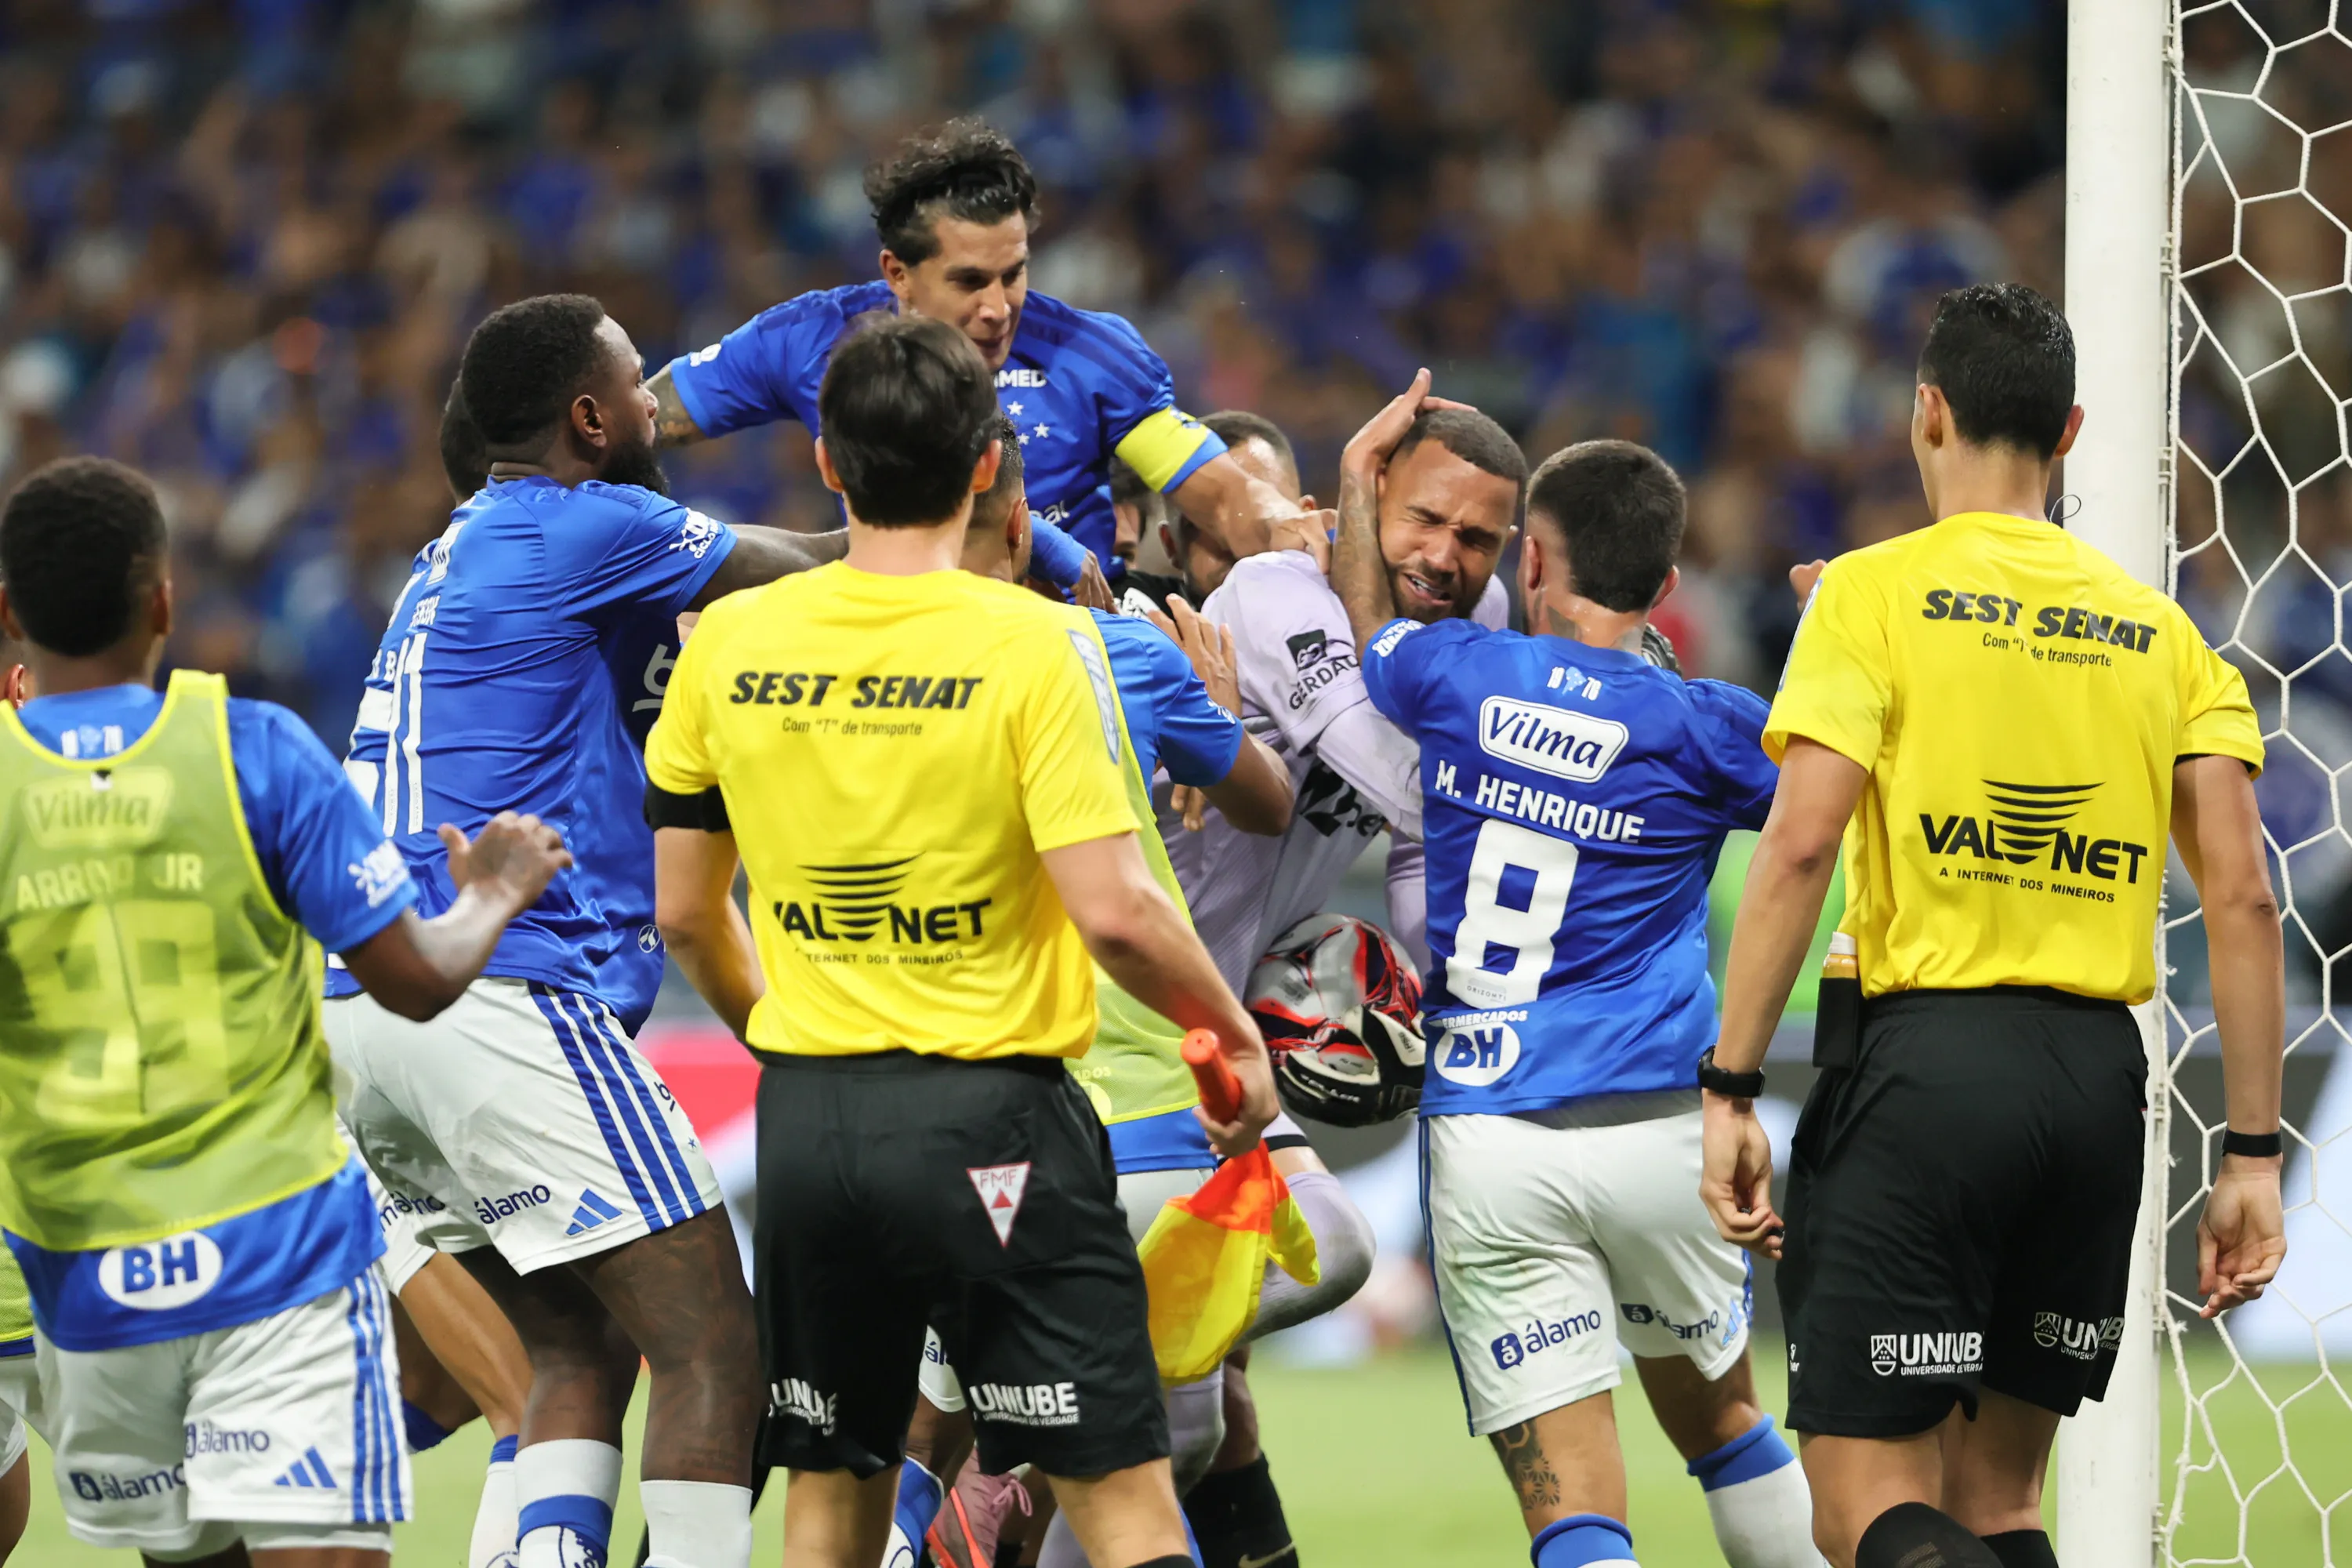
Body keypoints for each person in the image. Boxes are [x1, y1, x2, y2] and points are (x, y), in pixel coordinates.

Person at [644, 313, 1276, 1568]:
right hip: (998, 1124)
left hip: (814, 1128)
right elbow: (1116, 909)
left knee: (833, 1495)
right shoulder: (1045, 646)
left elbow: (682, 911)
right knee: (1125, 1500)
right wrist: (1234, 1035)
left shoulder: (730, 641)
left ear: (827, 463)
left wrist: (791, 1039)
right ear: (990, 465)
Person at [1698, 284, 2287, 1568]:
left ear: (1927, 412)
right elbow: (2242, 897)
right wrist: (2249, 1155)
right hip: (2094, 1088)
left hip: (1926, 1075)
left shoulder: (1870, 594)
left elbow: (1799, 843)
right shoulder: (2167, 633)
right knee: (2000, 1506)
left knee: (1865, 1509)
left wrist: (1732, 1082)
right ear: (2069, 431)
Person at [325, 295, 837, 1568]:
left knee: (574, 1349)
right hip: (491, 986)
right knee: (716, 1341)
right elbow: (815, 561)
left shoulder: (459, 544)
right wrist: (989, 531)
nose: (661, 406)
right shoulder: (582, 521)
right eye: (637, 387)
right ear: (589, 419)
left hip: (364, 1006)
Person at [0, 456, 571, 1566]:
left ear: (9, 617)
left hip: (91, 1284)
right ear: (165, 602)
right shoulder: (254, 752)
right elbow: (416, 981)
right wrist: (494, 890)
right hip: (280, 1262)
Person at [1352, 434, 1823, 1568]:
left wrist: (1363, 482)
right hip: (1664, 1132)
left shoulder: (1450, 671)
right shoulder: (1712, 727)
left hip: (1494, 1136)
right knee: (1725, 1429)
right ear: (1667, 585)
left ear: (1532, 559)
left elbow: (1371, 625)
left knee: (1577, 1515)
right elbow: (1833, 801)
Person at [644, 118, 1307, 572]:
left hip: (1067, 658)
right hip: (902, 659)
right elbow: (638, 422)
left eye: (1013, 274)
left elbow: (1219, 494)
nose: (998, 309)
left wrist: (1287, 527)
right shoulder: (808, 340)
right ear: (896, 273)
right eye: (968, 281)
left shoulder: (1090, 355)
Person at [1117, 411, 1303, 618]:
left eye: (1259, 514)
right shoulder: (1139, 619)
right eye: (1201, 524)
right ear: (1171, 546)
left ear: (1307, 516)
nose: (1236, 541)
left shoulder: (1342, 603)